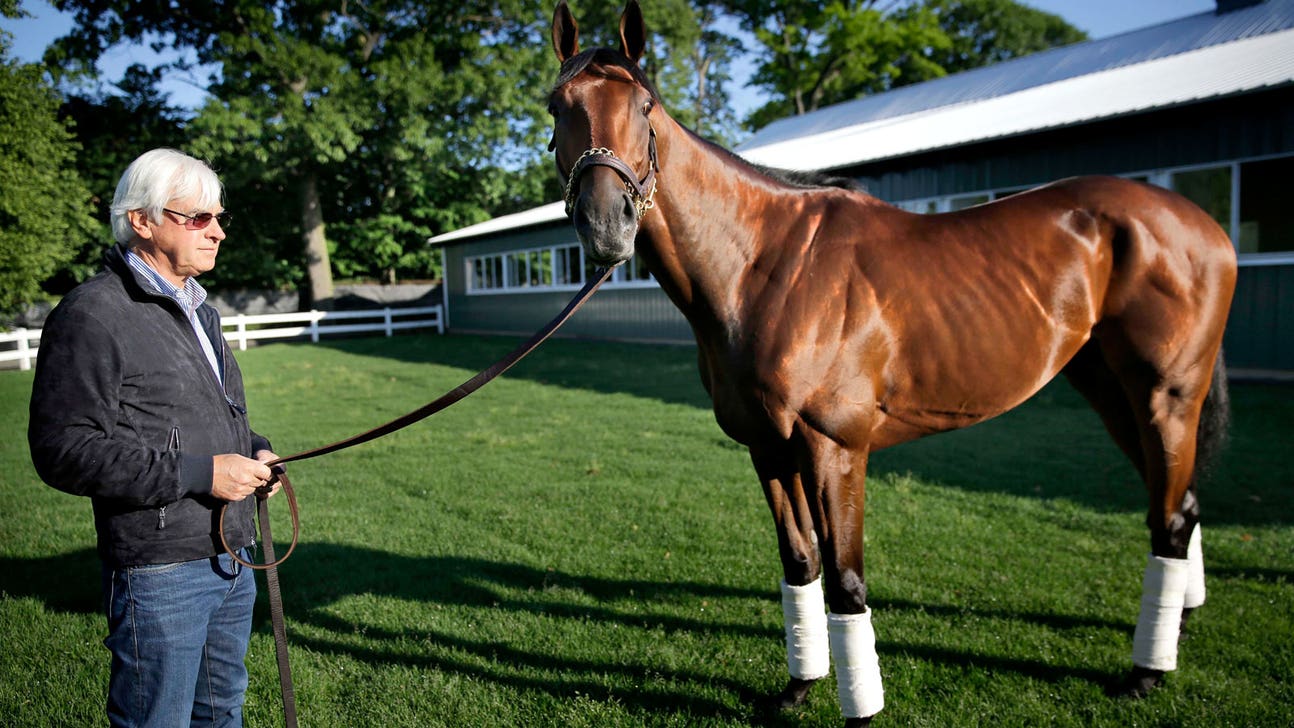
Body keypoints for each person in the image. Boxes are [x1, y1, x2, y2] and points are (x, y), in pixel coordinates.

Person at [28, 148, 281, 727]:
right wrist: (205, 474)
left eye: (219, 218)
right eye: (198, 218)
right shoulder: (92, 314)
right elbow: (63, 449)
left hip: (232, 554)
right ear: (141, 220)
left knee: (221, 715)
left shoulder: (200, 311)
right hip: (160, 569)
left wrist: (254, 449)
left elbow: (201, 415)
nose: (217, 232)